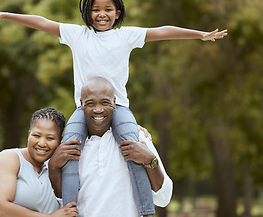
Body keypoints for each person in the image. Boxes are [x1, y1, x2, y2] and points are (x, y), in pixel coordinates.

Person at [0, 0, 227, 216]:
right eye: (95, 10)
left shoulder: (125, 36)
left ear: (117, 13)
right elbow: (42, 22)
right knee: (69, 150)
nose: (101, 15)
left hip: (119, 107)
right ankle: (69, 209)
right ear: (88, 12)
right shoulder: (77, 35)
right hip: (80, 108)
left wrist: (199, 34)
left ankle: (145, 210)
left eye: (108, 10)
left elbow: (161, 31)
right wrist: (6, 16)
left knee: (132, 146)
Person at [48, 77, 173, 217]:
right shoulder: (69, 147)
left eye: (104, 102)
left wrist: (151, 160)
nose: (98, 109)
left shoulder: (137, 139)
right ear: (81, 104)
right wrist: (53, 166)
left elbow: (163, 199)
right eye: (90, 103)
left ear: (114, 102)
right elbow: (57, 205)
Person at [0, 107, 79, 217]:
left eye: (50, 138)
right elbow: (0, 209)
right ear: (29, 134)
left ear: (60, 140)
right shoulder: (9, 158)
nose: (42, 143)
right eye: (36, 135)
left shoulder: (54, 169)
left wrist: (54, 167)